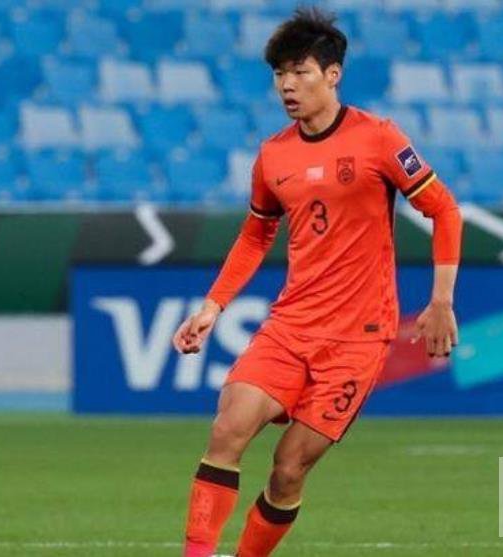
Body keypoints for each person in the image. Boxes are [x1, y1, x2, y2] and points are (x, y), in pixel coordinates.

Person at [173, 7, 463, 557]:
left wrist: (441, 300)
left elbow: (444, 210)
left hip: (357, 339)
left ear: (332, 75)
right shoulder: (273, 155)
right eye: (279, 74)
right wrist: (213, 305)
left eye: (300, 71)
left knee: (288, 469)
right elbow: (256, 234)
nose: (287, 85)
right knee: (228, 429)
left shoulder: (379, 138)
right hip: (290, 327)